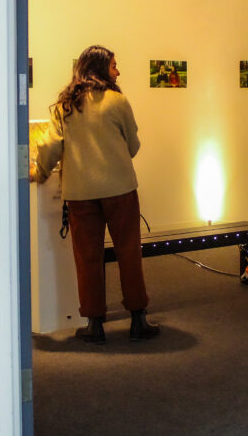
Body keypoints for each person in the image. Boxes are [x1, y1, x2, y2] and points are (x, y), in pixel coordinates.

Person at [36, 45, 159, 344]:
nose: (118, 71)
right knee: (129, 253)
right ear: (101, 68)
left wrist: (39, 173)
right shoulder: (118, 101)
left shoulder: (64, 106)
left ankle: (94, 324)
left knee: (87, 258)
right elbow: (133, 146)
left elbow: (49, 147)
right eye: (115, 65)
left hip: (80, 194)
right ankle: (137, 320)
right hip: (120, 190)